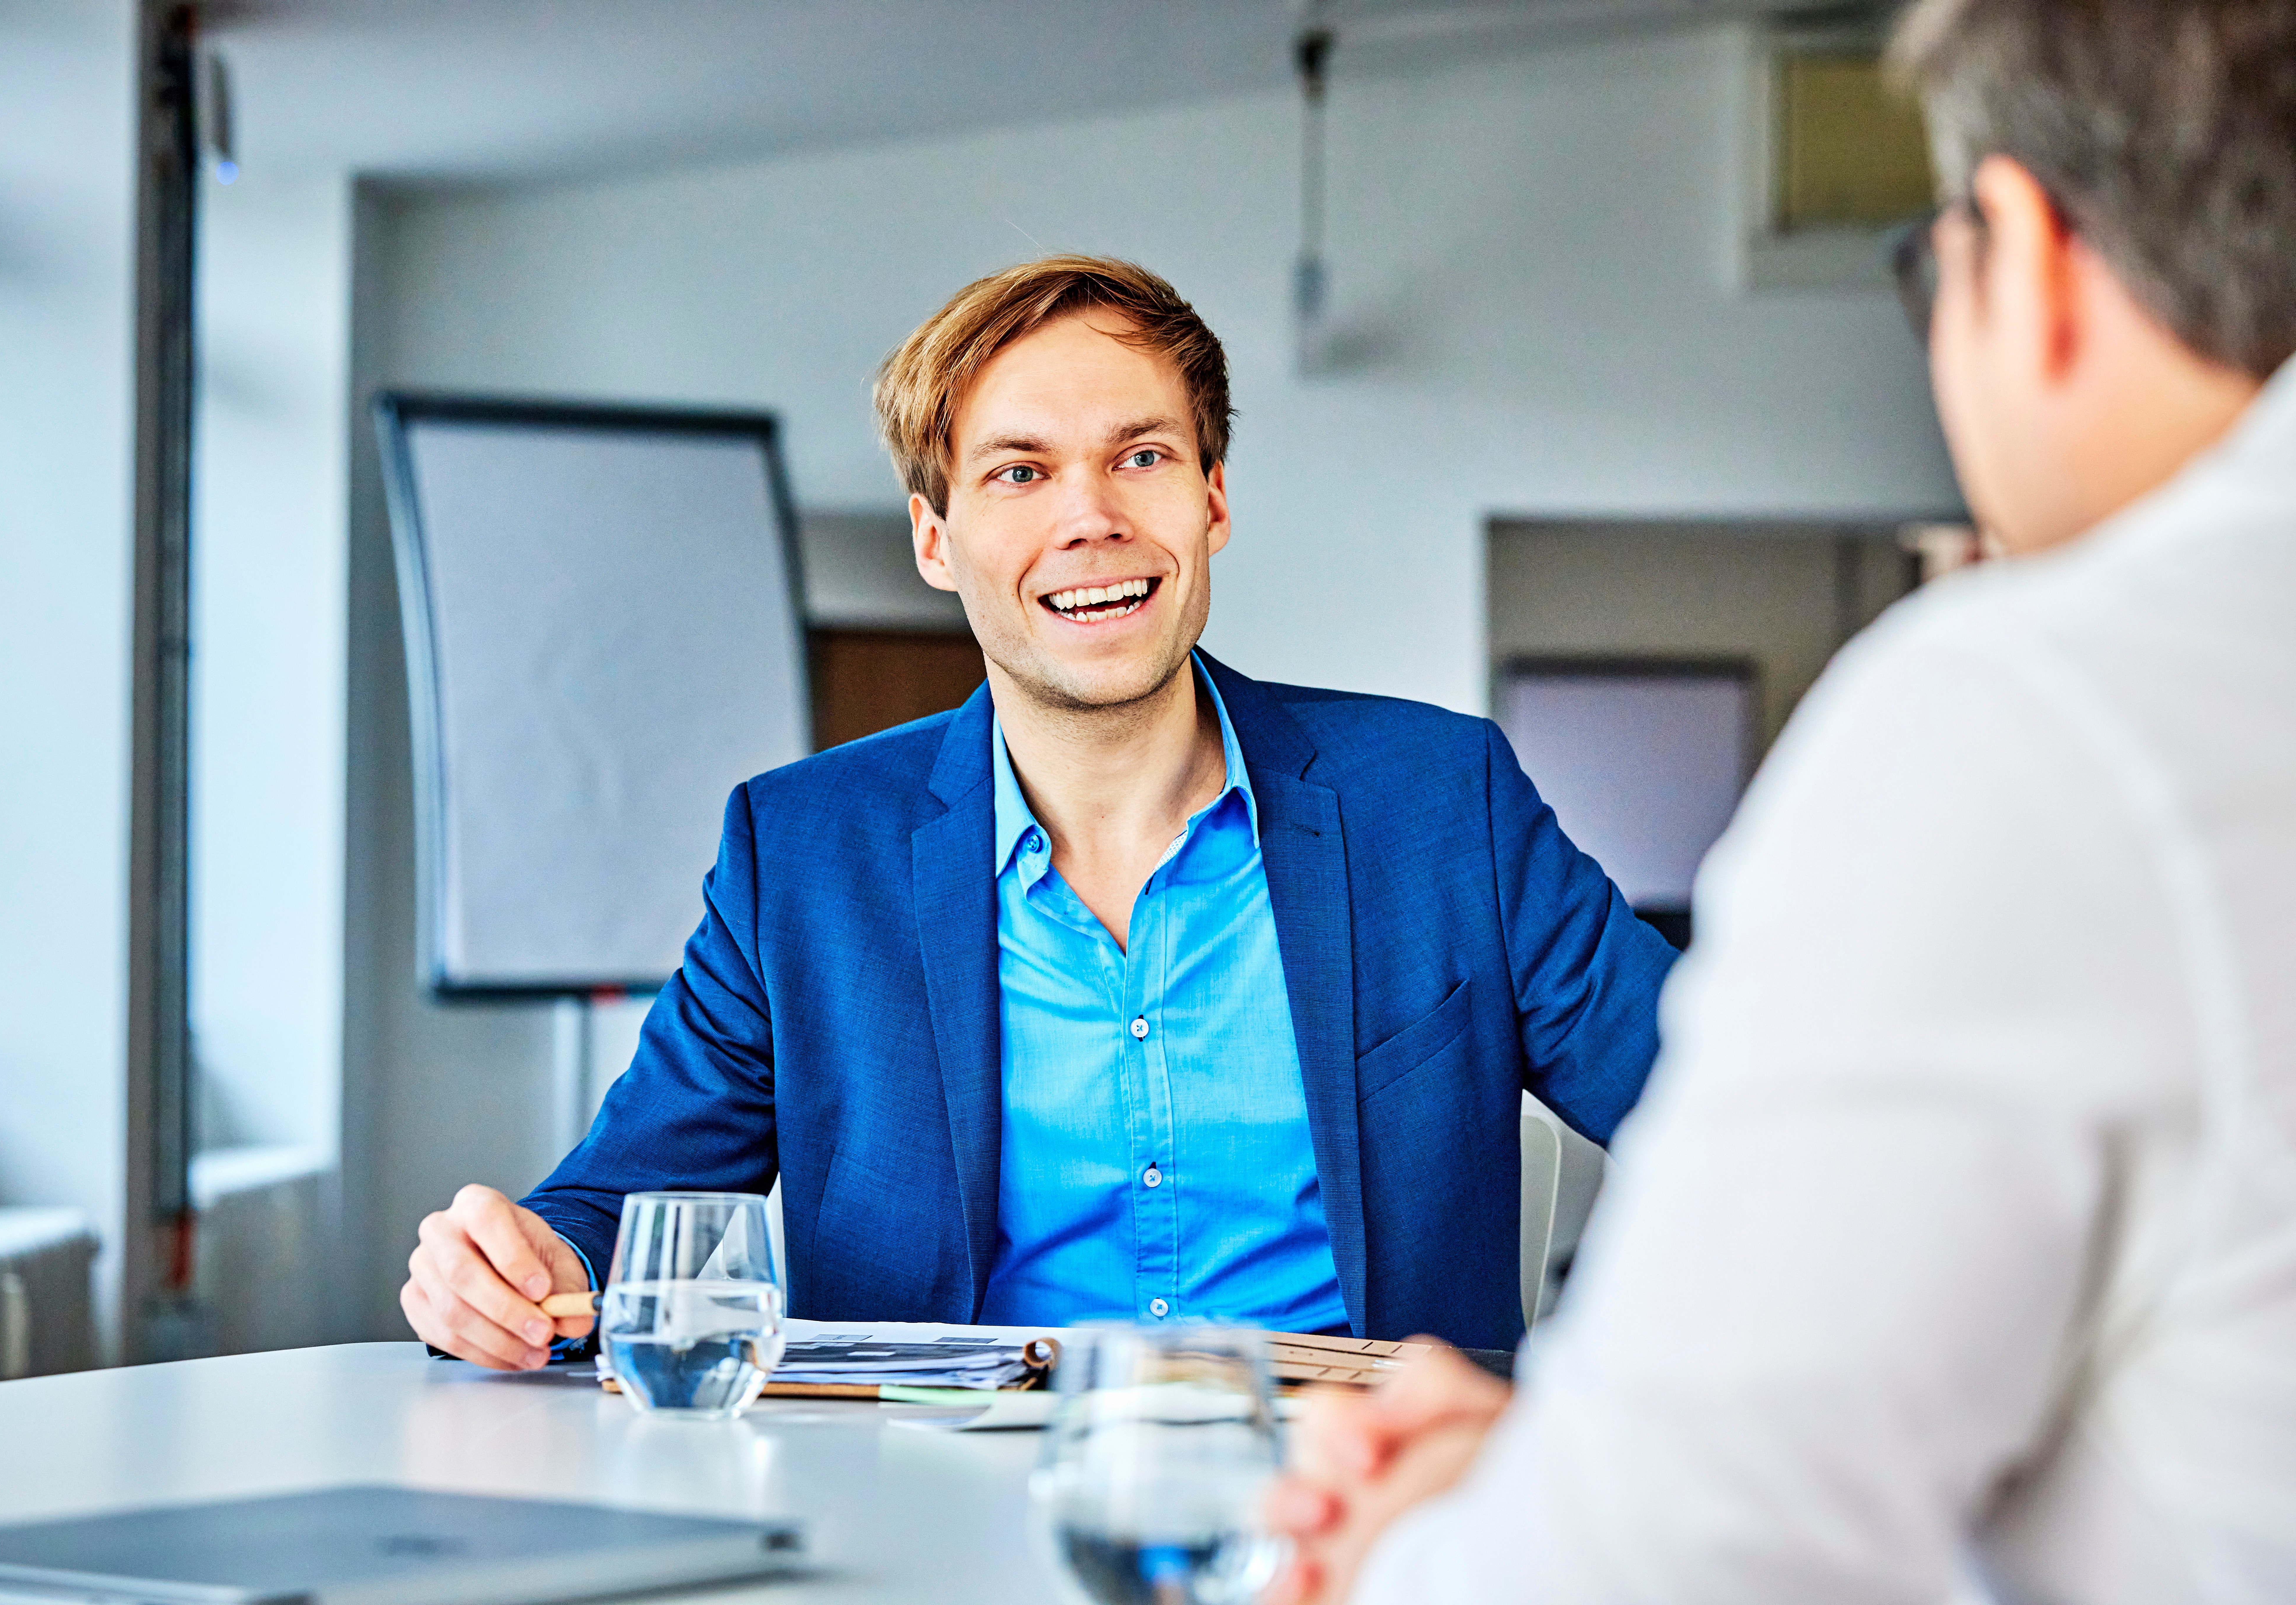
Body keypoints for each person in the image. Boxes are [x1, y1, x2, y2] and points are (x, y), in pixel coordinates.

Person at [1266, 0, 2296, 1600]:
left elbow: (1683, 1565)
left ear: (2019, 254)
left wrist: (1453, 1542)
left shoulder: (2032, 710)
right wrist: (1581, 1461)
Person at [399, 256, 1678, 1370]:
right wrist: (514, 1267)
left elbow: (1715, 1104)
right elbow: (619, 1204)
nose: (1091, 518)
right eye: (1019, 473)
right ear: (935, 539)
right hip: (935, 1513)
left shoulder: (1437, 801)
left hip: (1357, 1509)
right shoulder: (801, 855)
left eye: (1142, 456)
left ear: (1212, 499)